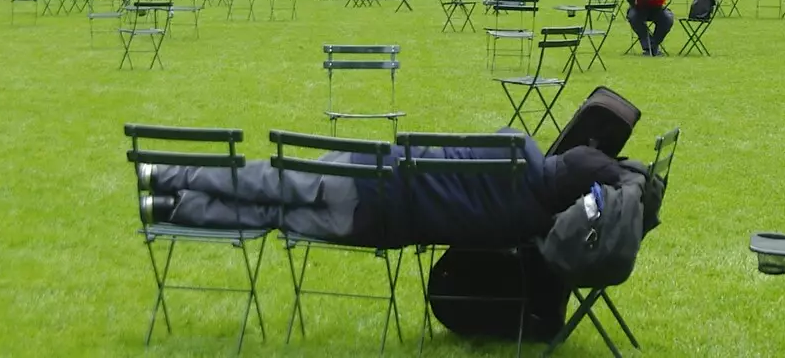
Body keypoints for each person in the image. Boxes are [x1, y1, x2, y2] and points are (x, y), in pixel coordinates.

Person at [138, 132, 629, 251]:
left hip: (373, 172)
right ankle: (169, 205)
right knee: (271, 215)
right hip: (377, 226)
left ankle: (167, 176)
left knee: (269, 178)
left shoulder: (517, 144)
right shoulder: (528, 227)